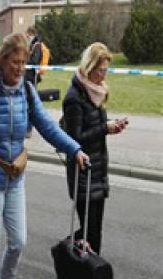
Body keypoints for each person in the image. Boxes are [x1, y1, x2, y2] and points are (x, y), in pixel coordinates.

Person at [0, 33, 89, 279]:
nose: (20, 68)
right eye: (15, 62)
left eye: (23, 63)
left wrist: (74, 149)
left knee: (18, 240)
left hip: (15, 177)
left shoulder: (27, 93)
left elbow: (49, 128)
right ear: (3, 61)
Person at [63, 42, 128, 255]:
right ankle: (72, 260)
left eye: (106, 70)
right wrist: (104, 128)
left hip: (98, 169)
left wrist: (112, 125)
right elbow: (75, 139)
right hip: (84, 172)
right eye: (101, 70)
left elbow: (95, 126)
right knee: (90, 233)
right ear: (89, 67)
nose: (104, 75)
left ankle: (87, 274)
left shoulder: (96, 92)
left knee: (94, 231)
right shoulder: (74, 98)